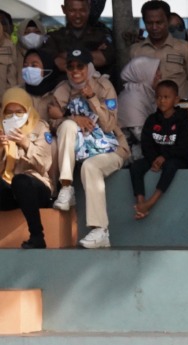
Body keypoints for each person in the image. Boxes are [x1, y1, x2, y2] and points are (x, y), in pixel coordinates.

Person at [46, 46, 128, 250]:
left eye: (80, 66)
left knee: (90, 167)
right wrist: (72, 118)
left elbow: (109, 125)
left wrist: (92, 98)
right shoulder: (63, 89)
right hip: (81, 149)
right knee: (67, 125)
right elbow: (51, 122)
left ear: (88, 67)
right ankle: (66, 187)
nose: (75, 71)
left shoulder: (103, 86)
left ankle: (101, 230)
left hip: (111, 149)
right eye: (71, 67)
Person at [0, 87, 56, 249]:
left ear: (28, 109)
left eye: (19, 111)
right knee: (15, 183)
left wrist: (25, 144)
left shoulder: (40, 128)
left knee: (21, 181)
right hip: (9, 192)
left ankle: (37, 236)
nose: (14, 116)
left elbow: (44, 164)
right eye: (9, 112)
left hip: (35, 188)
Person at [130, 79, 188, 220]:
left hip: (174, 159)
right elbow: (146, 144)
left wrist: (164, 157)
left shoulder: (183, 121)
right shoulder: (152, 120)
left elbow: (184, 148)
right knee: (135, 167)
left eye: (166, 97)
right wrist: (153, 160)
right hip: (154, 158)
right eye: (159, 97)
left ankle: (152, 201)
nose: (162, 100)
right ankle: (140, 202)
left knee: (171, 165)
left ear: (176, 100)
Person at [130, 0, 188, 101]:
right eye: (149, 23)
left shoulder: (186, 49)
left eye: (159, 22)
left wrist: (181, 97)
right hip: (146, 112)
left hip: (178, 112)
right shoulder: (135, 51)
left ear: (167, 20)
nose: (154, 27)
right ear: (144, 22)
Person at [45, 0, 114, 76]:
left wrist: (65, 56)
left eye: (82, 10)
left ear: (89, 8)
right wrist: (91, 55)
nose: (78, 15)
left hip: (96, 85)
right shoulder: (54, 37)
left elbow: (103, 59)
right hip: (63, 85)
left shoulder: (101, 34)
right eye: (72, 10)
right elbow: (54, 62)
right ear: (64, 9)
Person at [117, 56, 159, 154]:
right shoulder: (131, 98)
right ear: (144, 74)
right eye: (156, 72)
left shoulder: (145, 93)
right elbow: (140, 135)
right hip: (131, 155)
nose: (160, 75)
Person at [22, 48, 61, 119]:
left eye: (34, 65)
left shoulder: (59, 92)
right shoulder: (18, 92)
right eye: (25, 65)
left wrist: (59, 116)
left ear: (47, 66)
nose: (28, 69)